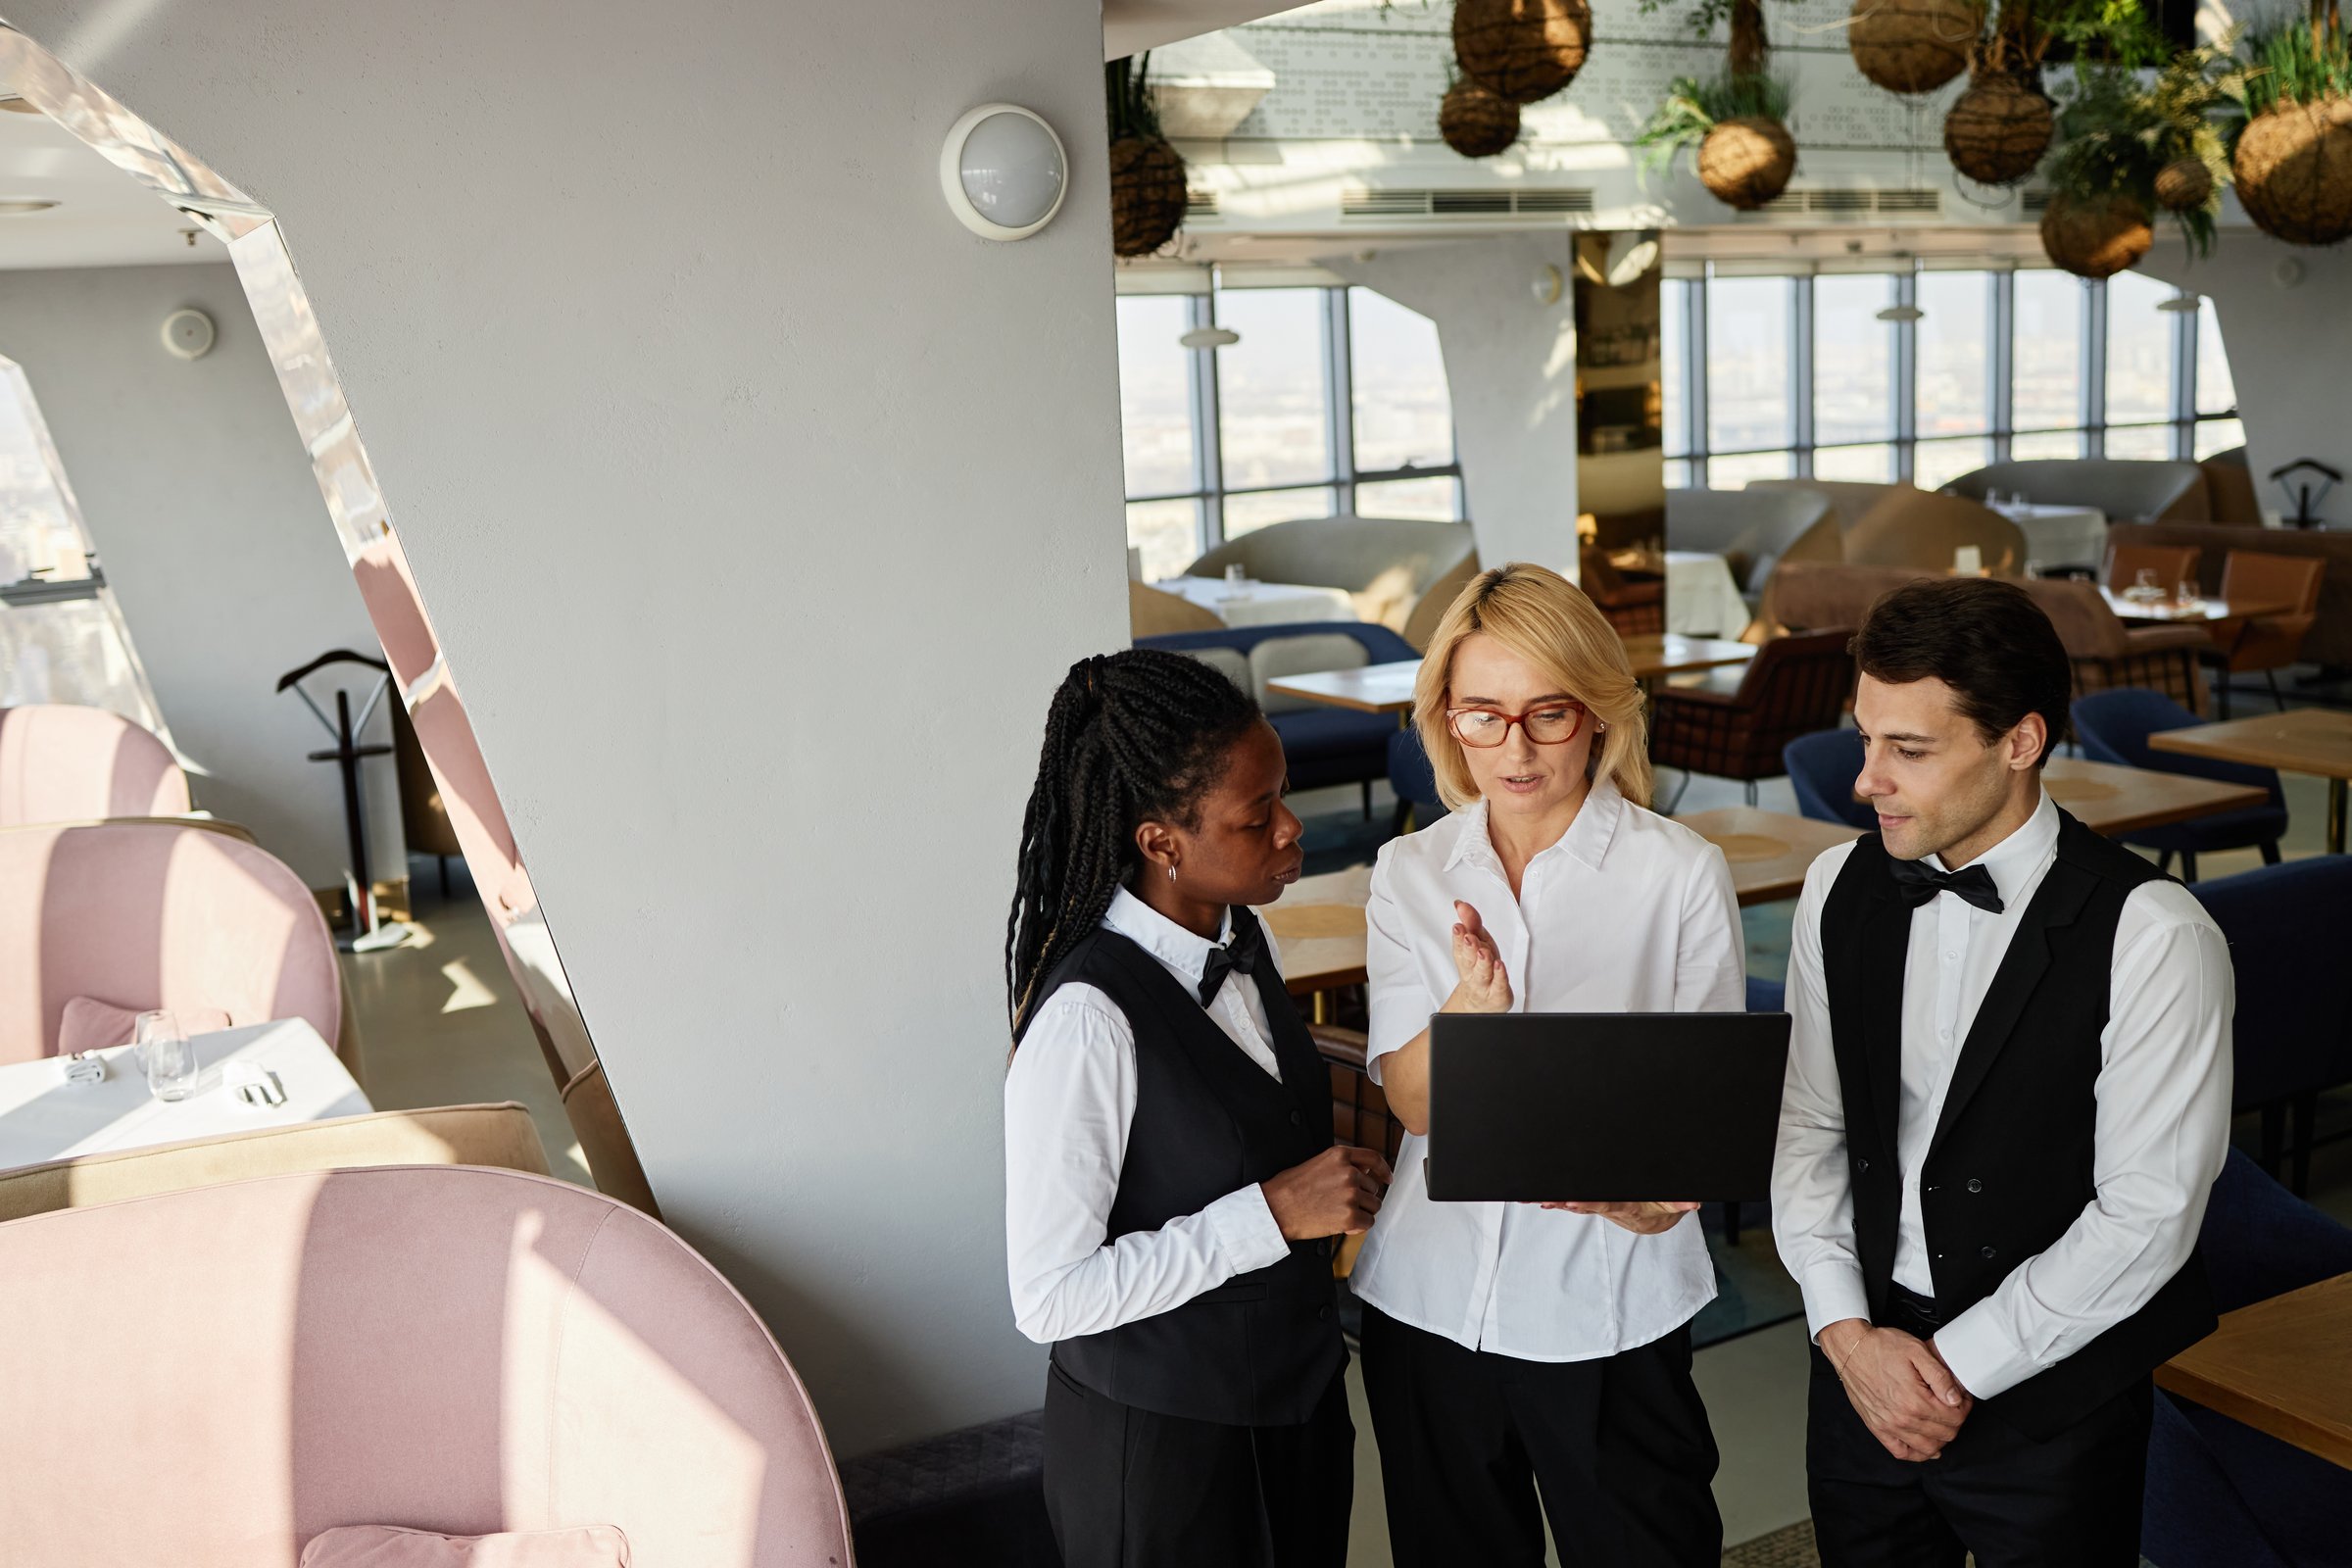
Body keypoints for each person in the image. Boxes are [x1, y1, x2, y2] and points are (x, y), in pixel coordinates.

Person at [1773, 577, 2232, 1567]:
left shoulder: (2155, 935)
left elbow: (2149, 1213)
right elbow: (1809, 1130)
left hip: (2054, 1390)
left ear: (2019, 742)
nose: (1865, 781)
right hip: (1860, 1363)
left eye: (1910, 749)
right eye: (1865, 739)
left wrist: (1954, 1368)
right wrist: (1847, 1335)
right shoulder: (1833, 889)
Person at [1348, 563, 1743, 1568]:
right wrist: (1472, 1010)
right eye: (1483, 715)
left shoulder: (1679, 873)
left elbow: (1699, 1118)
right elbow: (1410, 1100)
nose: (1514, 749)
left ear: (1601, 714)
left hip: (1611, 1311)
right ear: (1446, 716)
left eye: (1548, 715)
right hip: (1429, 1308)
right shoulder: (1412, 871)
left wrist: (1665, 1196)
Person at [1002, 648, 1391, 1568]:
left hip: (1295, 1413)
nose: (1294, 829)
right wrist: (1274, 1214)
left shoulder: (1240, 937)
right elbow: (1049, 1296)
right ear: (1159, 842)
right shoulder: (1088, 1020)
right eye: (1258, 818)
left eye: (1283, 796)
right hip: (1169, 1459)